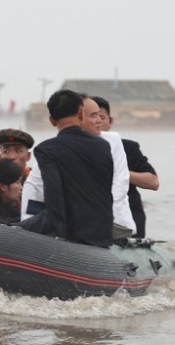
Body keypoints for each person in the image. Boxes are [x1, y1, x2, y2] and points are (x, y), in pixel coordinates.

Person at [16, 90, 114, 247]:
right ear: (81, 114)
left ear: (52, 120)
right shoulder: (103, 145)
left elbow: (55, 199)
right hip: (103, 232)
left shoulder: (46, 150)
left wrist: (58, 236)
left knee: (11, 230)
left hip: (74, 234)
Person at [92, 96, 160, 239]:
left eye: (101, 117)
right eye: (92, 116)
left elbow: (153, 182)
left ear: (110, 122)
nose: (97, 121)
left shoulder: (128, 148)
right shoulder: (75, 147)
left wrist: (120, 172)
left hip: (129, 215)